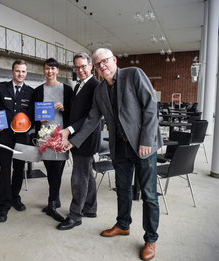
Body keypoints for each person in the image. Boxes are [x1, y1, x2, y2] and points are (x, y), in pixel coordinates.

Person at [61, 48, 163, 261]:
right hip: (120, 148)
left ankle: (150, 239)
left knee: (149, 195)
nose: (102, 66)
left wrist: (146, 139)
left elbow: (150, 107)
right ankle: (123, 224)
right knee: (122, 189)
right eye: (98, 64)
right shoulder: (99, 91)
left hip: (143, 146)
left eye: (104, 61)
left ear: (114, 60)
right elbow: (92, 120)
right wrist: (73, 142)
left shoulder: (133, 74)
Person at [56, 53, 100, 230]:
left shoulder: (96, 86)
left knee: (78, 178)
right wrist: (65, 110)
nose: (80, 70)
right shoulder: (79, 86)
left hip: (86, 139)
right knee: (86, 174)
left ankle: (75, 215)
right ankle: (90, 208)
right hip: (77, 137)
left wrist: (70, 130)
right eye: (77, 67)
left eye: (83, 66)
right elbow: (78, 111)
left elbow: (91, 116)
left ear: (91, 66)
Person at [0, 59, 34, 223]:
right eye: (17, 71)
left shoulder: (31, 92)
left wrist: (30, 128)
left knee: (19, 168)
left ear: (26, 73)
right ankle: (3, 205)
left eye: (23, 71)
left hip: (22, 137)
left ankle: (15, 196)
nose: (20, 74)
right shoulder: (1, 88)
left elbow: (32, 116)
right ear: (12, 72)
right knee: (5, 169)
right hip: (4, 137)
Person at [32, 58, 73, 222]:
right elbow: (32, 113)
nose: (50, 71)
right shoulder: (37, 90)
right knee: (50, 170)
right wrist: (38, 120)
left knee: (57, 170)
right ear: (44, 71)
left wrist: (64, 108)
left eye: (53, 69)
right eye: (47, 69)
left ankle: (52, 204)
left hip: (61, 136)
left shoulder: (67, 90)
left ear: (58, 71)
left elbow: (74, 112)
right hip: (44, 138)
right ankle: (54, 200)